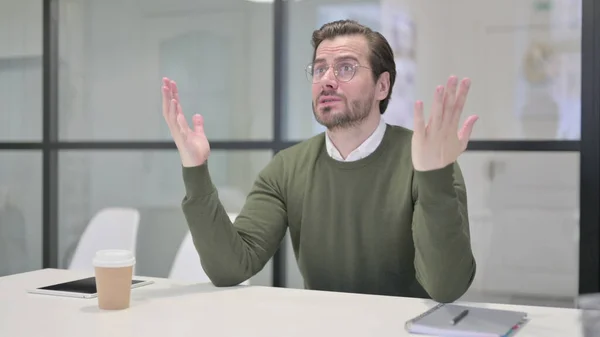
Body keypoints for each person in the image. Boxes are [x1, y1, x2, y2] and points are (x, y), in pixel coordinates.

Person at [161, 19, 478, 303]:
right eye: (319, 68)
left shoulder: (425, 160)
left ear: (382, 86)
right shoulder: (287, 167)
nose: (327, 80)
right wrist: (195, 168)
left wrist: (433, 176)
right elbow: (230, 268)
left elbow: (446, 288)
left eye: (346, 68)